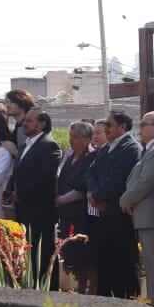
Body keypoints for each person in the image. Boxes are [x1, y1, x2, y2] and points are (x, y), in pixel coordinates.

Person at [120, 111, 154, 307]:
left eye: (145, 124)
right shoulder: (150, 149)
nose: (140, 129)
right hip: (148, 217)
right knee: (153, 265)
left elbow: (145, 182)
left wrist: (125, 200)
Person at [87, 110, 144, 300]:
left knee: (122, 261)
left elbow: (118, 180)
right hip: (104, 212)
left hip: (120, 214)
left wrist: (99, 196)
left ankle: (124, 299)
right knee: (106, 261)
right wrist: (93, 194)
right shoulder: (106, 148)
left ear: (122, 127)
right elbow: (91, 173)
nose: (106, 129)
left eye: (109, 125)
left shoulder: (130, 148)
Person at [12, 110, 61, 287]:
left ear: (42, 124)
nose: (25, 124)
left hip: (40, 211)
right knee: (29, 253)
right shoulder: (26, 145)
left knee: (42, 252)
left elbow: (45, 178)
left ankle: (48, 288)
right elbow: (17, 173)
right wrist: (11, 191)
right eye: (25, 120)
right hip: (24, 209)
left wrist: (22, 192)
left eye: (30, 121)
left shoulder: (49, 145)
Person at [56, 121, 99, 294]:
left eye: (76, 137)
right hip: (67, 214)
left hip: (82, 214)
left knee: (86, 254)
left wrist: (62, 199)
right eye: (71, 136)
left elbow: (82, 187)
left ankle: (89, 288)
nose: (72, 140)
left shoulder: (91, 157)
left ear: (86, 139)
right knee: (73, 253)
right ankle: (79, 285)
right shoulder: (69, 156)